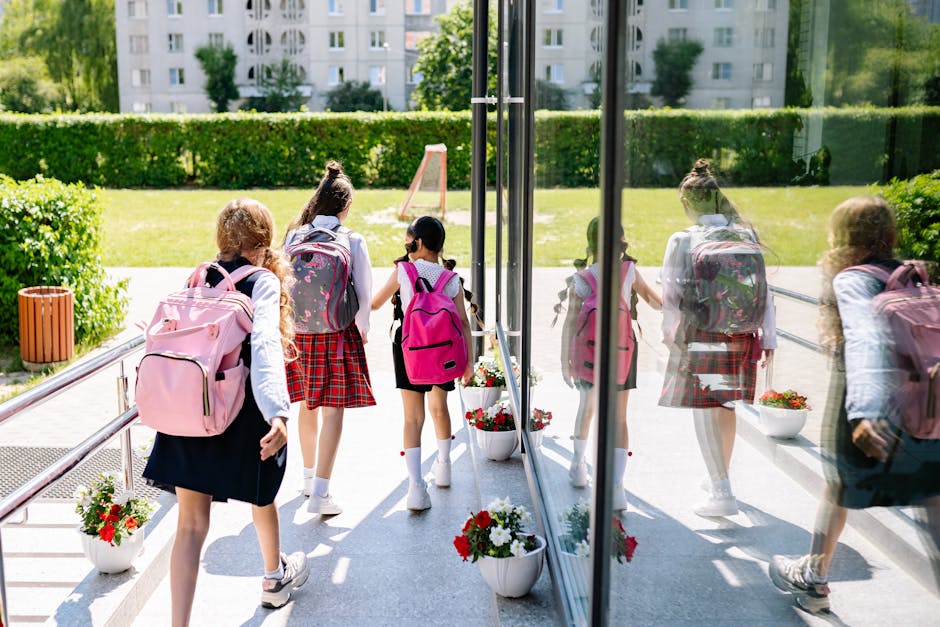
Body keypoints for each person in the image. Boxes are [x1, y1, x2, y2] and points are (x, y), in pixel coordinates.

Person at [769, 196, 940, 613]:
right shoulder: (916, 277)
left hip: (870, 405)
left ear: (843, 236)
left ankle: (813, 580)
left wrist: (866, 413)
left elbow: (866, 340)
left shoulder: (852, 279)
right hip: (928, 409)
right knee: (933, 503)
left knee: (838, 485)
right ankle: (813, 576)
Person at [143, 198, 307, 624]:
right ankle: (274, 578)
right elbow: (267, 347)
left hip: (193, 410)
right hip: (244, 410)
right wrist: (279, 412)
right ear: (262, 240)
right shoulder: (263, 283)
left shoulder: (197, 277)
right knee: (261, 495)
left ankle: (179, 623)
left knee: (191, 525)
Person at [659, 159, 776, 518]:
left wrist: (670, 337)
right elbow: (765, 290)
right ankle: (718, 479)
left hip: (703, 332)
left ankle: (722, 491)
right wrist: (769, 338)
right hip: (743, 333)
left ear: (689, 203)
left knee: (705, 410)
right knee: (725, 407)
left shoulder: (684, 239)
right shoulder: (746, 234)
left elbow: (671, 295)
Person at [284, 161, 376, 515]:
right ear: (345, 206)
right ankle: (322, 493)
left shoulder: (294, 236)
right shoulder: (352, 239)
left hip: (300, 333)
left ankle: (308, 481)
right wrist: (363, 327)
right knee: (333, 410)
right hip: (337, 332)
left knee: (307, 403)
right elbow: (365, 293)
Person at [557, 217, 662, 511]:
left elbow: (570, 322)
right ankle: (616, 488)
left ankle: (578, 466)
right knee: (619, 418)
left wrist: (564, 359)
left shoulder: (583, 277)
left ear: (590, 243)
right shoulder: (628, 271)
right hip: (622, 349)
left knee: (586, 407)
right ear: (620, 240)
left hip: (588, 353)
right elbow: (656, 302)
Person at [371, 216, 474, 511]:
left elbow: (376, 302)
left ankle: (416, 487)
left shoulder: (403, 271)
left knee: (412, 418)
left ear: (417, 243)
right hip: (444, 351)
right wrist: (467, 362)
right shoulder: (450, 279)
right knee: (439, 409)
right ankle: (443, 466)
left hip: (409, 348)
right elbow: (463, 324)